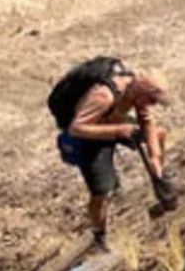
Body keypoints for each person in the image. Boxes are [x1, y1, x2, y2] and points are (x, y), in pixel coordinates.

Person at [60, 63, 169, 248]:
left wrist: (155, 159)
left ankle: (162, 187)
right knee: (102, 191)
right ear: (140, 90)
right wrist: (119, 130)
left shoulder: (136, 93)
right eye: (151, 99)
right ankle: (99, 236)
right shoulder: (103, 96)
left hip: (114, 124)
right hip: (89, 136)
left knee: (159, 135)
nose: (152, 104)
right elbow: (76, 128)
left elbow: (147, 123)